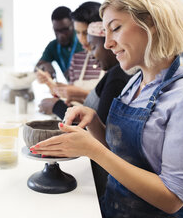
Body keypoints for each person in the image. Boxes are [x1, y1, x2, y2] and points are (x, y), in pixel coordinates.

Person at [31, 0, 183, 218]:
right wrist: (93, 122)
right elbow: (121, 153)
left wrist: (95, 151)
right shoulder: (136, 79)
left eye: (115, 28)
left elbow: (173, 199)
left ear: (152, 22)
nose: (107, 43)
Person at [40, 21, 131, 198]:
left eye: (94, 46)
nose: (91, 53)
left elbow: (103, 141)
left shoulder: (118, 77)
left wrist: (57, 106)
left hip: (108, 176)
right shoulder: (113, 74)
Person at [38, 2, 103, 111]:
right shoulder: (77, 58)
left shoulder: (111, 61)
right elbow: (76, 104)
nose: (82, 40)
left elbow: (107, 106)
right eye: (78, 32)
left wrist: (79, 94)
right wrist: (57, 88)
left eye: (86, 33)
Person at [35, 6, 83, 82]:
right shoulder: (53, 45)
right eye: (57, 31)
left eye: (65, 30)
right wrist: (44, 67)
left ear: (73, 24)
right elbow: (37, 67)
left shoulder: (83, 41)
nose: (61, 35)